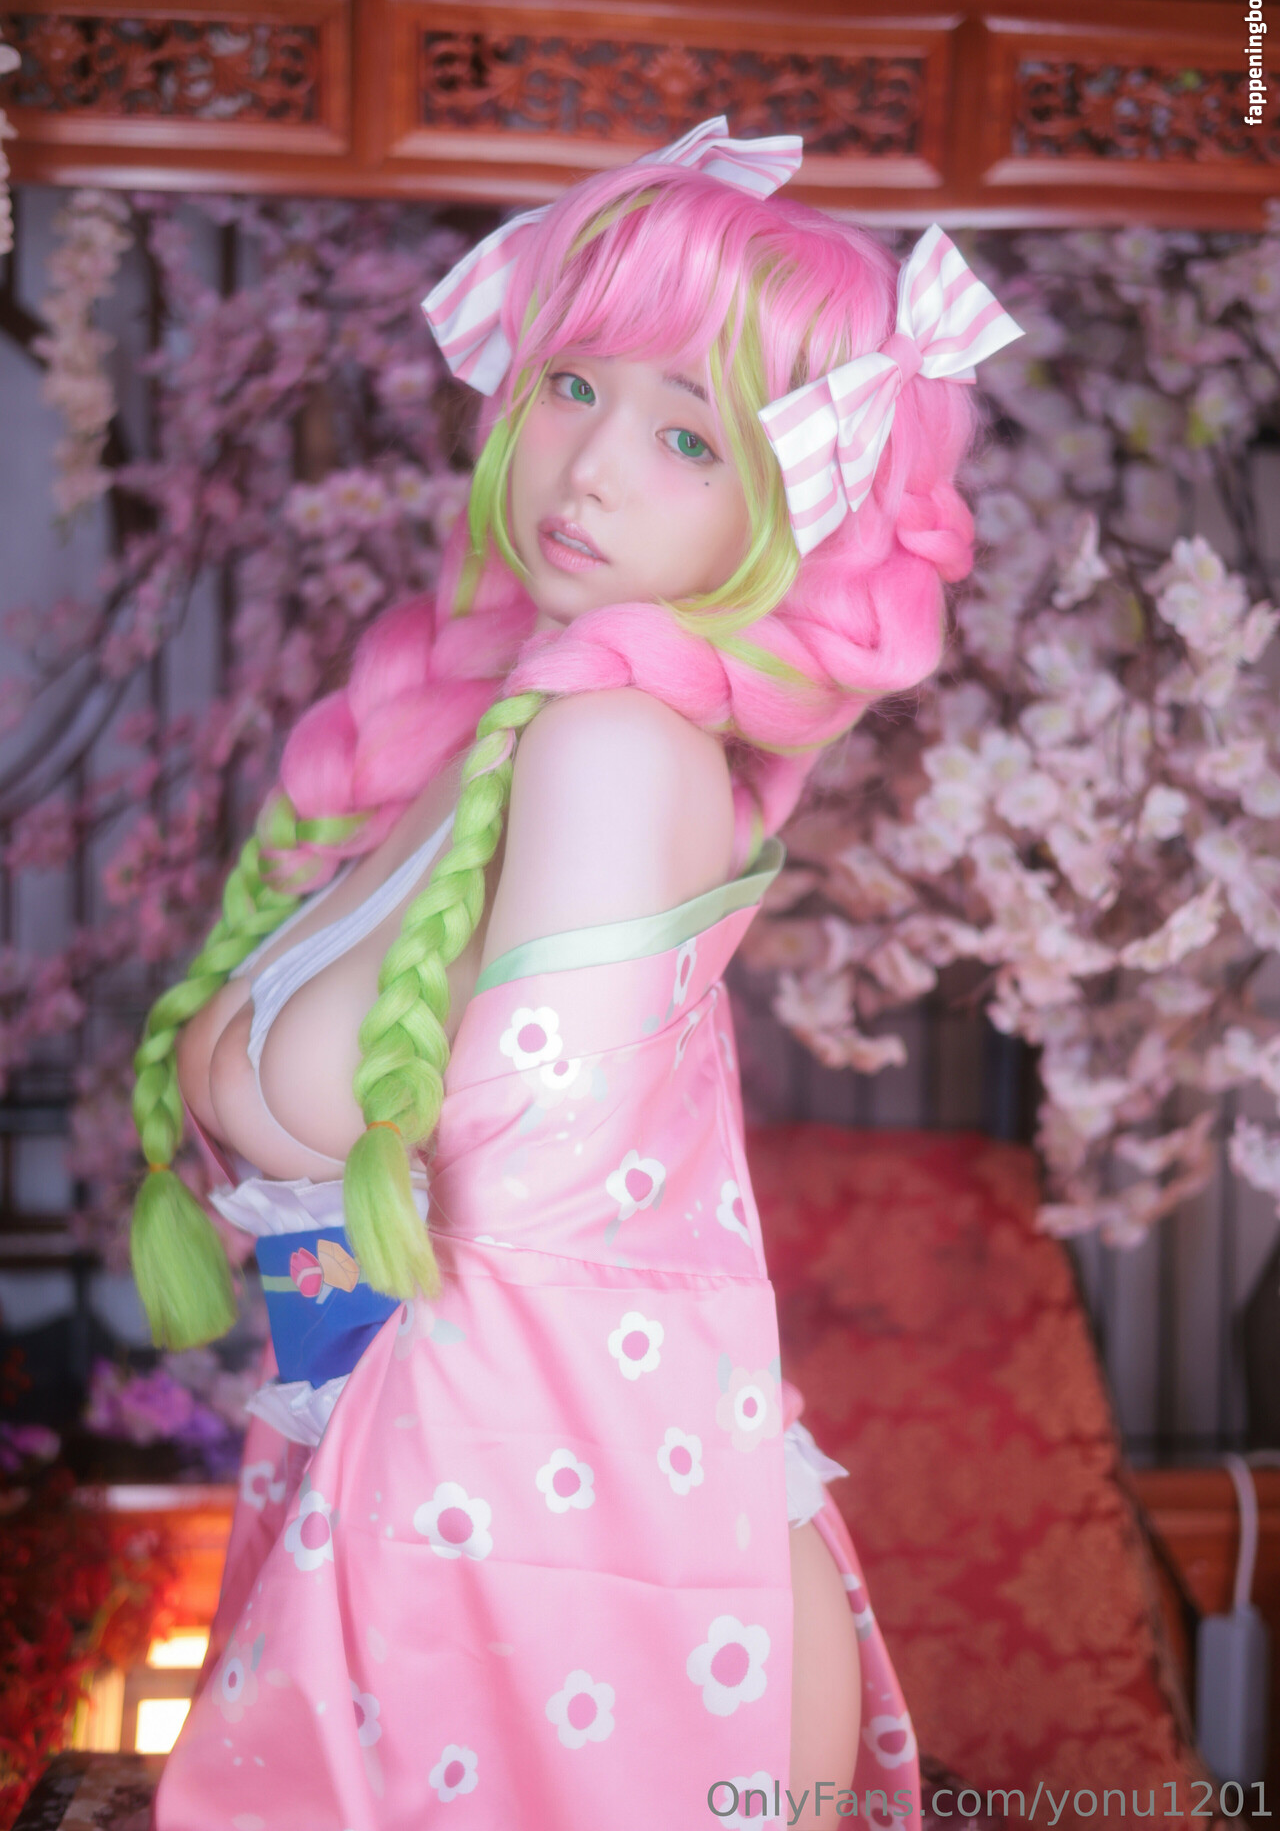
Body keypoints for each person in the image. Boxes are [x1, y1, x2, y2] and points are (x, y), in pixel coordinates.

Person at [132, 118, 1020, 1829]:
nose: (588, 468)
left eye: (687, 435)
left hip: (583, 1593)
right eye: (572, 386)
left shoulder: (614, 749)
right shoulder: (506, 731)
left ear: (791, 506)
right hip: (466, 1556)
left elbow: (534, 1269)